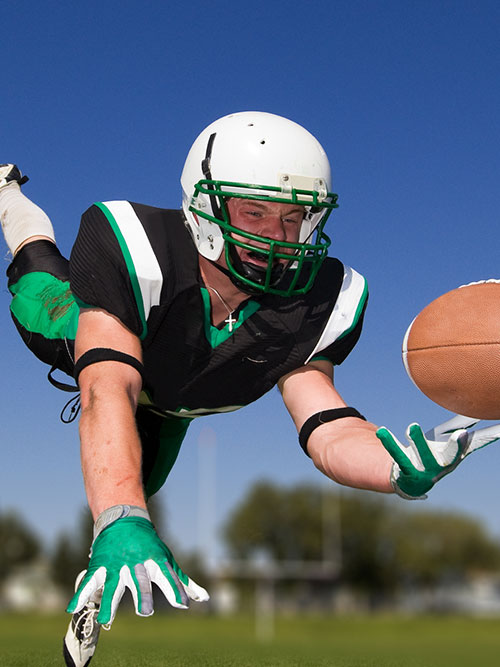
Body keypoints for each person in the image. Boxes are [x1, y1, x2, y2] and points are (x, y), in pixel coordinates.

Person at [1, 112, 498, 667]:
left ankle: (91, 591)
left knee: (137, 499)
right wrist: (119, 512)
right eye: (254, 211)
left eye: (294, 216)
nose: (277, 235)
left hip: (174, 403)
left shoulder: (323, 298)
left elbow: (327, 426)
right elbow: (107, 387)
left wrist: (393, 467)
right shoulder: (135, 247)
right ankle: (7, 193)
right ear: (206, 208)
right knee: (36, 268)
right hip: (86, 335)